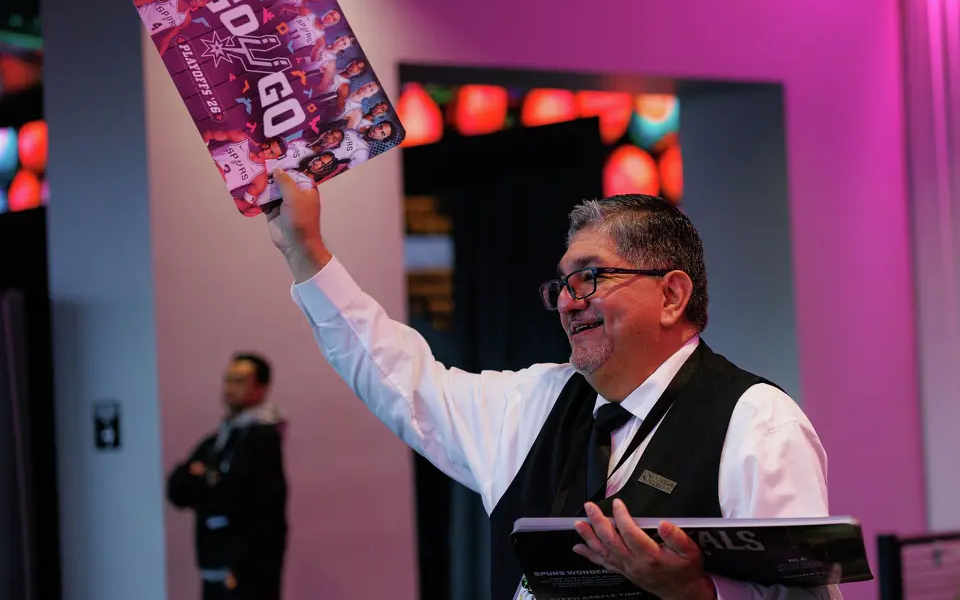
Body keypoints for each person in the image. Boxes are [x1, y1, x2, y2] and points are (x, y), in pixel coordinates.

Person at [265, 185, 839, 600]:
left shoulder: (757, 422)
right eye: (562, 284)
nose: (569, 300)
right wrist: (304, 250)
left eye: (591, 277)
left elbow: (807, 599)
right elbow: (399, 379)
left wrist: (700, 594)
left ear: (671, 295)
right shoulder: (536, 402)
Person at [167, 353, 288, 600]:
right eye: (228, 380)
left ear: (261, 387)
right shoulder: (218, 439)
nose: (230, 388)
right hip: (214, 567)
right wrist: (212, 479)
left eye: (240, 381)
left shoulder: (263, 439)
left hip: (249, 573)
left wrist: (205, 479)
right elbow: (176, 488)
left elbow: (233, 496)